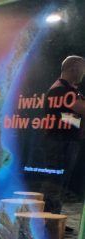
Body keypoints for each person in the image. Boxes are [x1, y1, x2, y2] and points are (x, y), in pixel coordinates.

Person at [41, 55, 85, 212]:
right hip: (59, 143)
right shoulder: (60, 90)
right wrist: (79, 120)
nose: (84, 72)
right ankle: (49, 221)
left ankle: (53, 219)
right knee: (55, 183)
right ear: (73, 68)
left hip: (64, 142)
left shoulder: (68, 90)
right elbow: (76, 113)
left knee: (59, 183)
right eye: (82, 68)